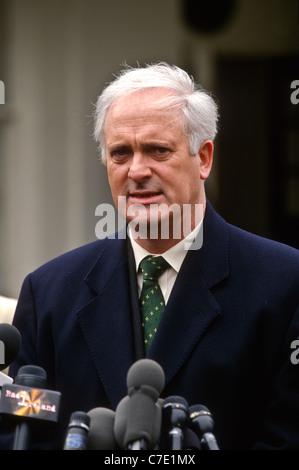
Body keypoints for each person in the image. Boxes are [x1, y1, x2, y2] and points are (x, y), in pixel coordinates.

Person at [1, 62, 299, 450]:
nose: (137, 170)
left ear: (204, 158)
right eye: (120, 153)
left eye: (158, 150)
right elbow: (20, 437)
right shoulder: (49, 293)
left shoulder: (284, 283)